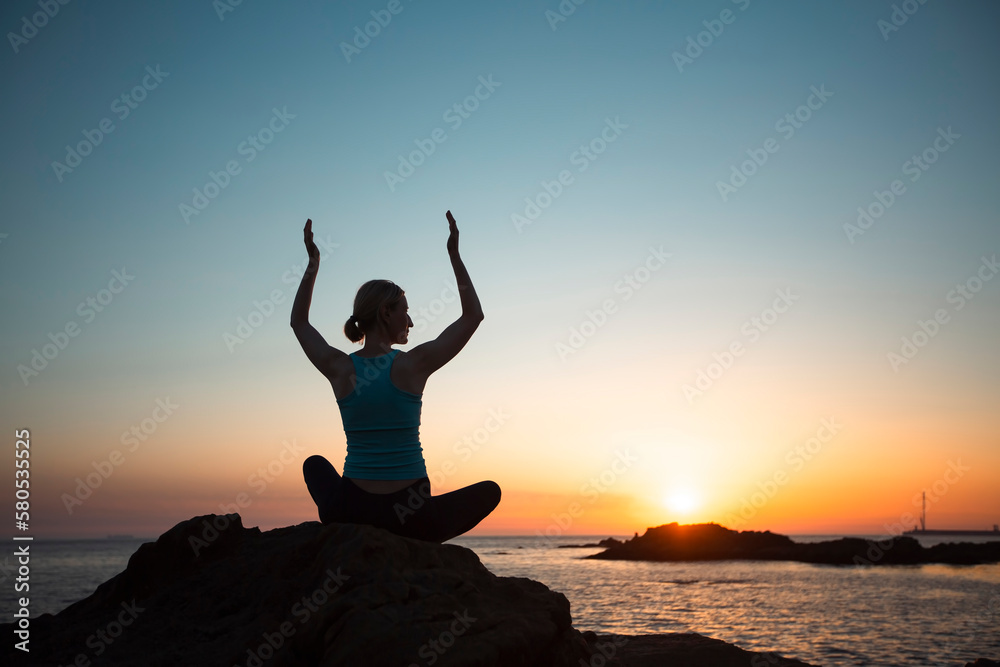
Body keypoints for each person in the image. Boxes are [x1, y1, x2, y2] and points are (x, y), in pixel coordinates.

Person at [290, 211, 501, 543]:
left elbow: (299, 324)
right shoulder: (414, 364)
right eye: (405, 310)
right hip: (411, 515)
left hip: (351, 510)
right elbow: (473, 315)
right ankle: (426, 530)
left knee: (314, 465)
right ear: (386, 313)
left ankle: (342, 523)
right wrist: (455, 257)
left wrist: (313, 264)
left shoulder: (340, 367)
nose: (410, 322)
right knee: (490, 491)